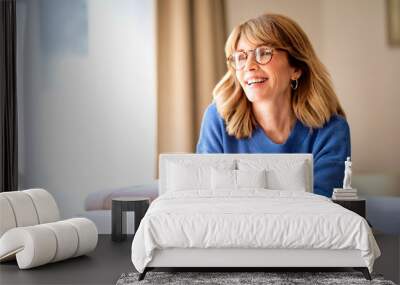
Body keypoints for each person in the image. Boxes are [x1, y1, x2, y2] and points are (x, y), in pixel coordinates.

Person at [196, 13, 350, 198]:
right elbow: (208, 201)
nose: (249, 66)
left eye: (264, 53)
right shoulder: (217, 119)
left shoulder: (332, 128)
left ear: (296, 68)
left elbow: (322, 206)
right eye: (240, 57)